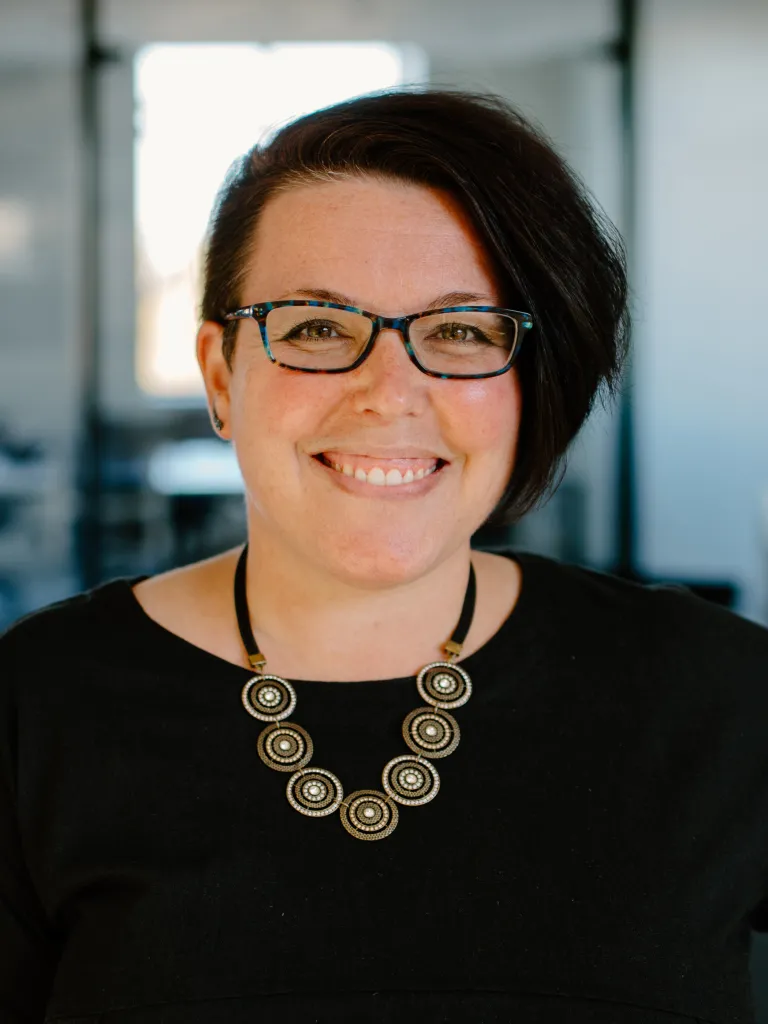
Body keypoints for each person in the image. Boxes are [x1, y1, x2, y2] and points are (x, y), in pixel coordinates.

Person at [2, 88, 768, 1024]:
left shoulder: (722, 700)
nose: (388, 392)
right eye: (318, 327)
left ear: (532, 384)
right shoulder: (33, 710)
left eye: (460, 332)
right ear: (219, 376)